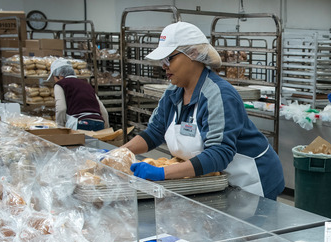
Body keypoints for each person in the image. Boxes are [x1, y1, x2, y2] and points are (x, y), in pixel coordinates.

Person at [120, 22, 285, 200]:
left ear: (193, 54)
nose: (164, 66)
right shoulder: (173, 92)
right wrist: (120, 153)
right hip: (217, 181)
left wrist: (163, 172)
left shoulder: (219, 95)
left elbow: (219, 154)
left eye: (169, 58)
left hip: (251, 181)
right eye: (162, 60)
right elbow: (154, 133)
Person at [48, 59, 110, 131]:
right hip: (99, 122)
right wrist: (106, 128)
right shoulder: (86, 84)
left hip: (80, 123)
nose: (54, 80)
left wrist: (60, 127)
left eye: (54, 77)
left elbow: (61, 108)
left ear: (60, 75)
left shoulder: (60, 84)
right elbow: (103, 110)